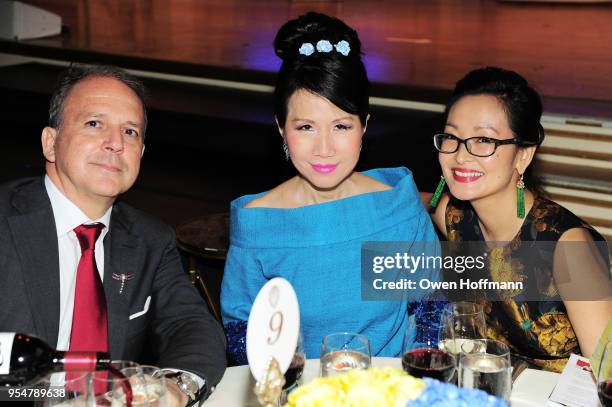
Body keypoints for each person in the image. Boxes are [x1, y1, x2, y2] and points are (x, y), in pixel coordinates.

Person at [220, 12, 439, 364]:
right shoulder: (258, 224)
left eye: (341, 126)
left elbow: (428, 312)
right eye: (306, 127)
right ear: (281, 127)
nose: (324, 148)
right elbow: (243, 334)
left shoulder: (396, 207)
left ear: (364, 126)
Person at [0, 65, 226, 404]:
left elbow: (191, 326)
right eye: (94, 124)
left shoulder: (150, 239)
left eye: (131, 132)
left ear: (142, 155)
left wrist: (177, 386)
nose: (115, 144)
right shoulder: (5, 220)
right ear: (51, 142)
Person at [429, 66, 611, 372]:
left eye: (484, 140)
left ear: (523, 156)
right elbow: (408, 196)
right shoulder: (455, 217)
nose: (461, 156)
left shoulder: (566, 247)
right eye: (452, 137)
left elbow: (608, 376)